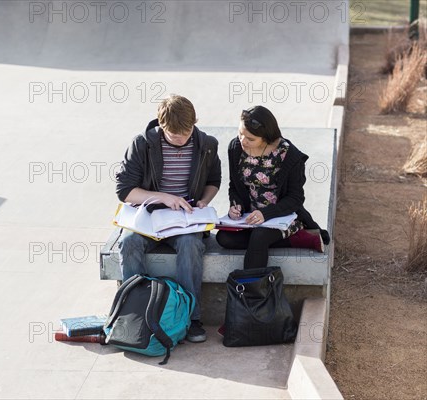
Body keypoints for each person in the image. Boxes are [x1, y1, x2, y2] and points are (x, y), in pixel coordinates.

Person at [115, 94, 222, 343]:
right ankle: (135, 316)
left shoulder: (206, 144)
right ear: (162, 127)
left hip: (185, 220)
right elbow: (124, 190)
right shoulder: (142, 144)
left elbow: (213, 181)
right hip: (148, 218)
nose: (182, 139)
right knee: (128, 243)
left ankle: (190, 318)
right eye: (175, 136)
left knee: (191, 244)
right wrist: (163, 197)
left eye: (187, 133)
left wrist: (205, 200)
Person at [216, 105, 330, 268]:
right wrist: (236, 206)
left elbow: (295, 199)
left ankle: (251, 290)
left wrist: (266, 213)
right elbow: (234, 186)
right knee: (224, 238)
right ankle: (296, 239)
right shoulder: (235, 148)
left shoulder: (289, 155)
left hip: (283, 216)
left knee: (259, 237)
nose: (243, 140)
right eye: (240, 133)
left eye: (250, 139)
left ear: (266, 137)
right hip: (250, 218)